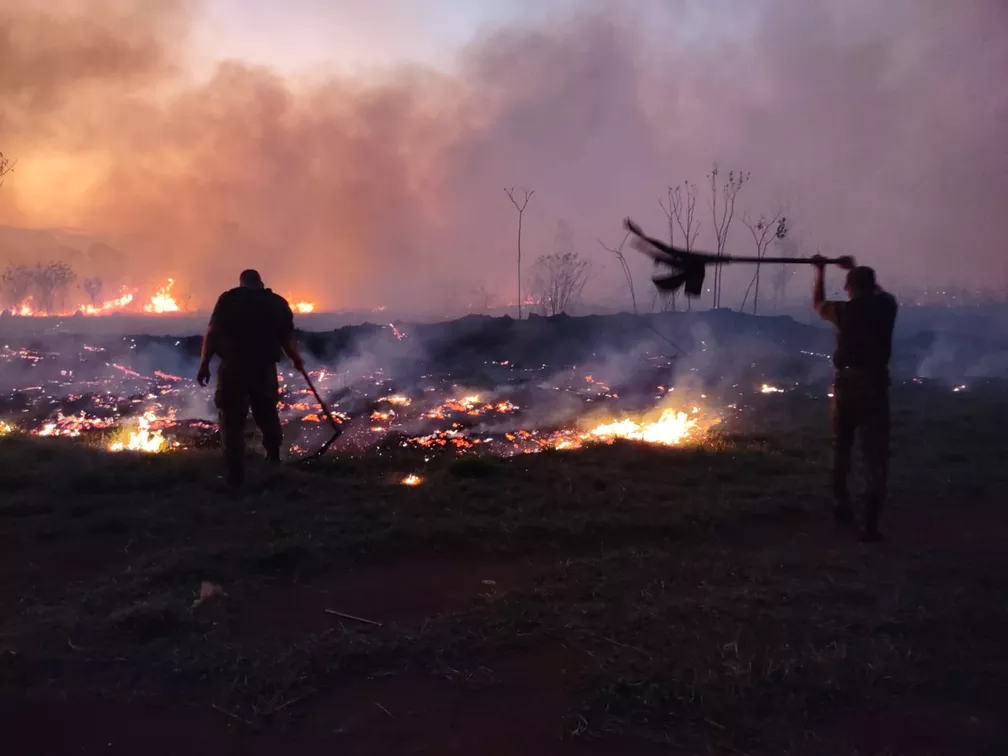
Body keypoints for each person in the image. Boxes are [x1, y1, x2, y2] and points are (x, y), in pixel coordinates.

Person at [812, 255, 898, 542]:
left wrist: (820, 272)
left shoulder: (844, 312)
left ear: (850, 287)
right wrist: (852, 268)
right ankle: (870, 524)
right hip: (874, 384)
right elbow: (883, 293)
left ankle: (841, 504)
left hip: (847, 385)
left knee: (843, 447)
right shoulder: (886, 308)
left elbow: (817, 304)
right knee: (875, 454)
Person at [197, 269, 305, 487]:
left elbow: (213, 332)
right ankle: (273, 461)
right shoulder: (277, 303)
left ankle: (235, 474)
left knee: (232, 421)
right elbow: (287, 337)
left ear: (242, 282)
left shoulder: (229, 300)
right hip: (263, 369)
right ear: (261, 282)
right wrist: (295, 358)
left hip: (234, 368)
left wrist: (205, 363)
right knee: (267, 415)